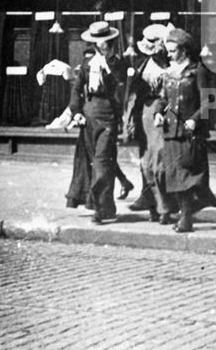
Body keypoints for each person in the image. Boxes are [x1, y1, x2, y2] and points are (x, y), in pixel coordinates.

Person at [152, 28, 216, 233]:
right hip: (171, 131)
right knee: (172, 174)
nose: (169, 54)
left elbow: (209, 102)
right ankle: (182, 213)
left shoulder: (197, 71)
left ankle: (186, 219)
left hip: (190, 133)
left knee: (186, 174)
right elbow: (162, 99)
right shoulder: (169, 73)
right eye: (168, 51)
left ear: (184, 50)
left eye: (173, 51)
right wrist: (158, 113)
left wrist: (195, 120)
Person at [65, 21, 125, 224]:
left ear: (111, 40)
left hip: (108, 115)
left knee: (102, 162)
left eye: (105, 41)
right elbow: (76, 88)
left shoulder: (117, 63)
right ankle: (104, 207)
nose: (102, 45)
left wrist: (106, 68)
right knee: (93, 162)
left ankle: (101, 209)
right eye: (98, 42)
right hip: (89, 116)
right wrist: (76, 112)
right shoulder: (87, 64)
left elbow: (118, 88)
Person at [123, 24, 171, 222]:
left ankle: (165, 206)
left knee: (158, 161)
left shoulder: (170, 65)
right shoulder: (142, 64)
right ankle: (152, 203)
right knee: (145, 162)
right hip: (144, 113)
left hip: (162, 115)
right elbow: (132, 93)